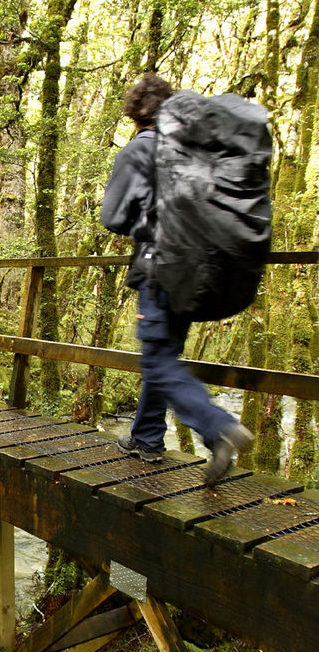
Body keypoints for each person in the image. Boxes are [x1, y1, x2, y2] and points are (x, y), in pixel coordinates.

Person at [100, 73, 253, 487]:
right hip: (199, 271)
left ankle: (216, 425)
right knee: (165, 356)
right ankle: (147, 439)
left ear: (136, 115)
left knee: (158, 359)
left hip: (160, 268)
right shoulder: (197, 149)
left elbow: (113, 216)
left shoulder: (141, 148)